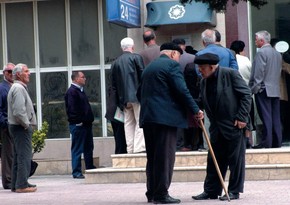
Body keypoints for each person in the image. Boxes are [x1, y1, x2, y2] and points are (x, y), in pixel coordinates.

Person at [138, 42, 204, 204]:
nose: (178, 59)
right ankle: (161, 193)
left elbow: (139, 93)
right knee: (165, 157)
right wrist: (196, 110)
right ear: (174, 53)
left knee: (153, 157)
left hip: (148, 117)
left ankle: (152, 192)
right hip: (165, 119)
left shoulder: (149, 67)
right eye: (179, 55)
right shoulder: (171, 66)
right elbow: (182, 90)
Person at [192, 53, 252, 201]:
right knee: (214, 160)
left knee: (235, 161)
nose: (199, 70)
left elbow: (246, 95)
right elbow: (201, 100)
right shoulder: (204, 81)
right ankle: (211, 190)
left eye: (202, 68)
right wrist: (196, 110)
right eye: (198, 67)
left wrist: (242, 117)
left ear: (212, 67)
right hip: (216, 127)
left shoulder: (230, 74)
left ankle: (234, 191)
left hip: (234, 124)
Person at [249, 31, 282, 149]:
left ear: (262, 41)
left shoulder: (261, 52)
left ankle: (267, 142)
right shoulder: (277, 53)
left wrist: (254, 89)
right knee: (275, 116)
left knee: (266, 116)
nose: (255, 41)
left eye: (256, 39)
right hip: (275, 88)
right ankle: (277, 141)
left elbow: (258, 73)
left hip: (263, 89)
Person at [111, 37, 145, 154]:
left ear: (122, 48)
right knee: (139, 122)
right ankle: (139, 148)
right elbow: (143, 77)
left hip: (123, 99)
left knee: (128, 123)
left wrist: (118, 101)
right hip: (137, 97)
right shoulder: (136, 58)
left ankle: (130, 149)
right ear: (133, 46)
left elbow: (113, 85)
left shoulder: (115, 62)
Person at [7, 63, 37, 193]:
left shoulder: (17, 87)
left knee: (19, 156)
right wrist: (27, 125)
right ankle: (22, 185)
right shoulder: (18, 88)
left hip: (16, 127)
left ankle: (16, 183)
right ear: (18, 74)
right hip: (20, 127)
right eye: (26, 71)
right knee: (24, 156)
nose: (29, 73)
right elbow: (19, 111)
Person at [65, 71, 96, 179]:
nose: (85, 79)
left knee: (89, 147)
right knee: (77, 148)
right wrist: (79, 121)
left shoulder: (80, 91)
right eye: (82, 77)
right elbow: (72, 110)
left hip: (86, 125)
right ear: (76, 79)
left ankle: (90, 167)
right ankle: (77, 172)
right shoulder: (72, 92)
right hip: (78, 125)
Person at [230, 40, 254, 148]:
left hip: (232, 93)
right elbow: (251, 75)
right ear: (242, 49)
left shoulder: (230, 58)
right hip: (245, 91)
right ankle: (247, 140)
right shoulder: (245, 60)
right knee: (247, 117)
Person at [0, 63, 15, 189]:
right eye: (9, 71)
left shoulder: (16, 86)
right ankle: (8, 180)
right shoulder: (1, 88)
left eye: (13, 71)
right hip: (7, 125)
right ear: (4, 73)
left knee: (15, 153)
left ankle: (14, 178)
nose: (11, 74)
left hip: (16, 125)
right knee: (8, 153)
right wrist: (4, 123)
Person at [105, 85, 127, 154]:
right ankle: (120, 152)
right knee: (120, 136)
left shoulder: (112, 88)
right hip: (117, 115)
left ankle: (119, 151)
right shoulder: (119, 87)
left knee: (117, 136)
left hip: (112, 115)